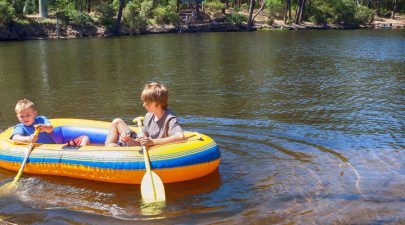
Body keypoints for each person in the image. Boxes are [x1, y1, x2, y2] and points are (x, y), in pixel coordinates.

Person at [104, 82, 185, 147]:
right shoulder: (149, 116)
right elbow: (141, 141)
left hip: (155, 149)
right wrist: (129, 140)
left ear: (158, 103)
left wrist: (152, 141)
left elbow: (180, 137)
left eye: (147, 102)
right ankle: (106, 152)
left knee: (112, 146)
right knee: (117, 121)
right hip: (144, 145)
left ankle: (110, 151)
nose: (144, 105)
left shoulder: (169, 118)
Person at [11, 98, 90, 146]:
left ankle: (83, 156)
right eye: (21, 116)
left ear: (34, 114)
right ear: (17, 117)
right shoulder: (21, 127)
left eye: (28, 115)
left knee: (85, 138)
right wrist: (28, 138)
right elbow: (15, 137)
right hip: (41, 150)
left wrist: (44, 127)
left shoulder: (41, 119)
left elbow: (51, 129)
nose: (25, 118)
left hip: (55, 147)